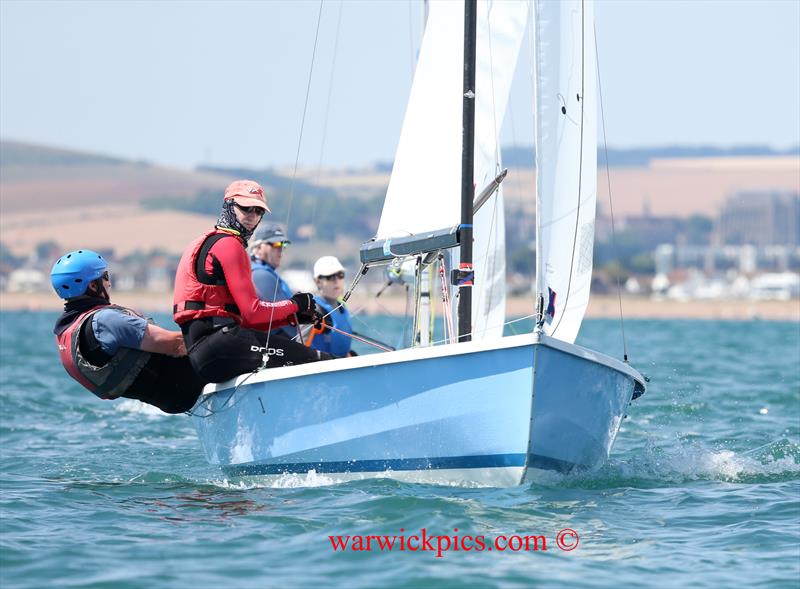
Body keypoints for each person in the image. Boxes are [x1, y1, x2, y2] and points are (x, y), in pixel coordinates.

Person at [173, 179, 329, 384]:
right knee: (320, 362)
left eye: (258, 211)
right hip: (221, 346)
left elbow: (243, 320)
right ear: (229, 206)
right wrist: (297, 304)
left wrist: (293, 318)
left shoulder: (204, 242)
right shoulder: (230, 245)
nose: (252, 216)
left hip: (204, 355)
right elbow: (253, 313)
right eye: (246, 208)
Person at [51, 249, 206, 414]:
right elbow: (176, 345)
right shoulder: (106, 321)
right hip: (187, 386)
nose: (109, 283)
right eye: (105, 277)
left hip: (171, 400)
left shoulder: (67, 331)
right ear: (92, 285)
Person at [249, 222, 295, 339]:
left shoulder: (264, 273)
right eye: (276, 244)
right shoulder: (260, 274)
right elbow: (288, 319)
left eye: (283, 244)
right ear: (258, 247)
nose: (280, 250)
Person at [308, 256, 355, 358]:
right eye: (330, 276)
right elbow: (301, 348)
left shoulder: (342, 308)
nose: (336, 280)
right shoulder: (313, 310)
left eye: (340, 275)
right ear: (317, 281)